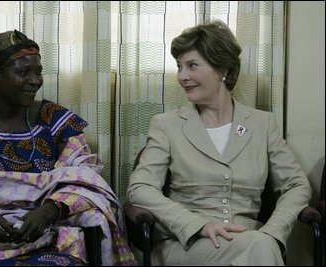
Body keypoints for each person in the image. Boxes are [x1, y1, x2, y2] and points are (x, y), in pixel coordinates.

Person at [0, 29, 137, 266]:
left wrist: (49, 211)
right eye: (23, 72)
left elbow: (85, 178)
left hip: (44, 236)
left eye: (38, 71)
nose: (35, 80)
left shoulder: (56, 119)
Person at [127, 20, 312, 266]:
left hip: (252, 242)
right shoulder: (166, 125)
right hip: (186, 245)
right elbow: (140, 188)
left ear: (222, 69)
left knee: (260, 246)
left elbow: (297, 185)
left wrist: (273, 233)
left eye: (192, 65)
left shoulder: (262, 124)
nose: (182, 77)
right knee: (261, 249)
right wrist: (196, 225)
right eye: (180, 67)